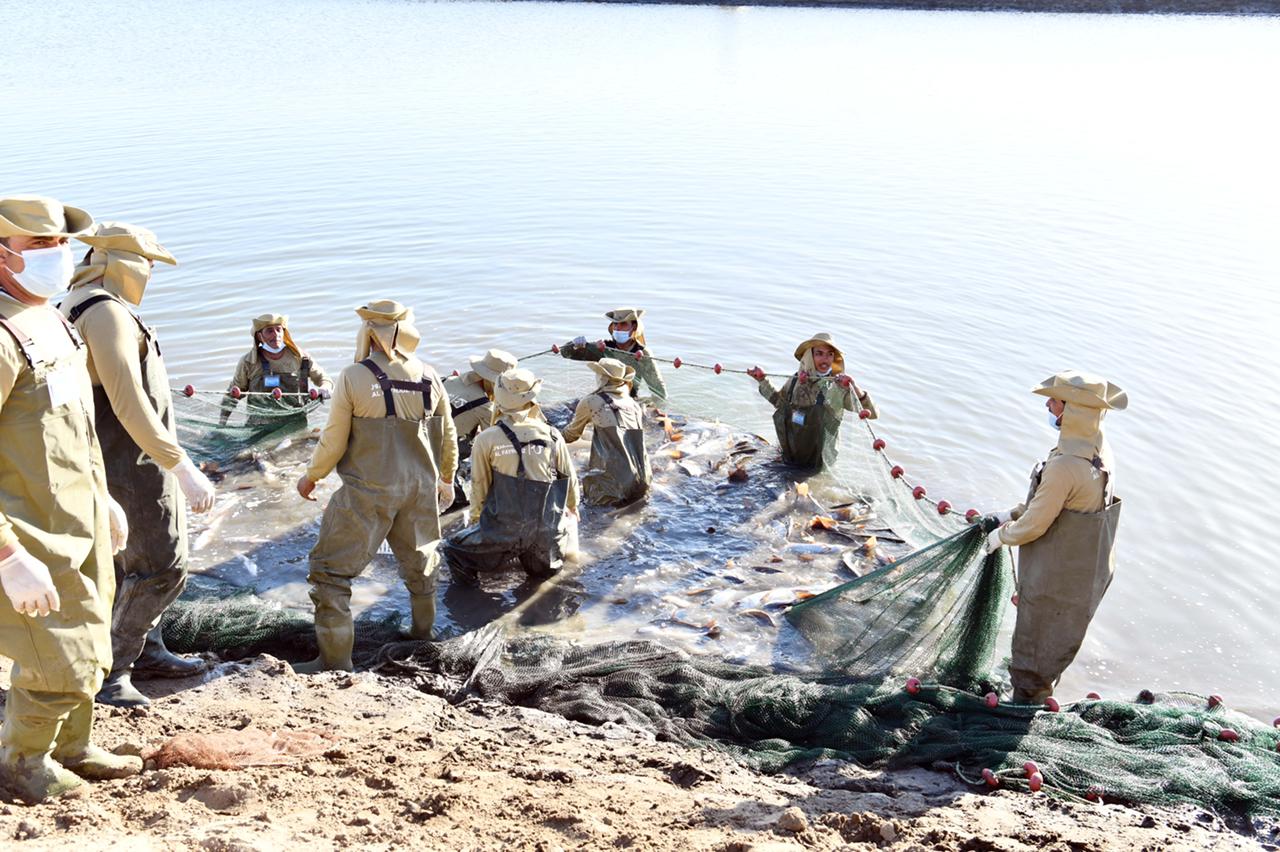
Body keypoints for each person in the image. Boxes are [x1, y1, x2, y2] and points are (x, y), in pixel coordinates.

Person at [0, 195, 142, 801]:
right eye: (39, 245)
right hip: (28, 531)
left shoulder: (52, 319)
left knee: (91, 642)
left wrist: (103, 499)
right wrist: (8, 556)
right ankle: (22, 764)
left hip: (78, 518)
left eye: (61, 244)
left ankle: (71, 747)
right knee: (55, 657)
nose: (57, 255)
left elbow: (74, 427)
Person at [62, 222, 217, 707]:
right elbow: (129, 403)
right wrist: (183, 467)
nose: (150, 271)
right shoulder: (106, 312)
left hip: (107, 458)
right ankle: (113, 672)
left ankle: (147, 653)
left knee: (122, 565)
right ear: (121, 262)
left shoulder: (73, 304)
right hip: (130, 462)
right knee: (162, 566)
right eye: (147, 262)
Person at [295, 301, 456, 671]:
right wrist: (446, 480)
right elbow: (448, 437)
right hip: (419, 489)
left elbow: (333, 440)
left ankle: (335, 662)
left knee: (331, 573)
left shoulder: (354, 376)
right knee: (421, 566)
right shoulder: (431, 377)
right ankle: (422, 635)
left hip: (367, 491)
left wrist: (312, 476)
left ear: (369, 332)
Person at [984, 371, 1127, 705]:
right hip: (1088, 572)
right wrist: (1012, 513)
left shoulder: (1067, 465)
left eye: (1055, 401)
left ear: (1074, 410)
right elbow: (1054, 501)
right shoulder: (1098, 450)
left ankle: (1023, 710)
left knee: (1034, 649)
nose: (1048, 405)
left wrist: (1000, 536)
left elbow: (1035, 525)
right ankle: (1037, 693)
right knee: (1055, 644)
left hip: (1057, 577)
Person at [442, 368, 580, 584]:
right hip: (544, 532)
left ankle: (469, 597)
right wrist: (573, 506)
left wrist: (477, 522)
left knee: (452, 550)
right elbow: (569, 478)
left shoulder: (486, 439)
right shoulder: (553, 435)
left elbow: (479, 485)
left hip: (503, 531)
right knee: (543, 578)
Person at [746, 332, 876, 472]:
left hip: (818, 466)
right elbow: (779, 403)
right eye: (819, 353)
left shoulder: (837, 388)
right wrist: (762, 380)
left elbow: (872, 414)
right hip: (789, 456)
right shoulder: (795, 380)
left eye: (830, 354)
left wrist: (856, 389)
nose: (825, 359)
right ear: (809, 356)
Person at [219, 313, 333, 430]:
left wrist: (325, 387)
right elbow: (232, 396)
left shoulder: (300, 357)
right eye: (270, 331)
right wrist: (222, 424)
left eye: (279, 330)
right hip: (258, 427)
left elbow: (324, 378)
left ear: (284, 333)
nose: (276, 334)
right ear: (259, 336)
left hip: (295, 425)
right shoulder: (248, 362)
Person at [561, 358, 651, 506]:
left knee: (592, 511)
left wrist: (548, 434)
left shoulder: (592, 401)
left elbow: (570, 436)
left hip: (614, 485)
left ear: (602, 378)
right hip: (643, 479)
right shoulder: (634, 405)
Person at [441, 349, 517, 511]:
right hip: (442, 448)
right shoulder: (484, 406)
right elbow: (496, 443)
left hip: (419, 436)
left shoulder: (450, 379)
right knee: (458, 504)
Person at [559, 307, 666, 399]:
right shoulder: (603, 347)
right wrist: (574, 345)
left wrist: (652, 410)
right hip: (602, 398)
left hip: (629, 400)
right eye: (615, 324)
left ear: (633, 327)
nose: (617, 328)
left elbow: (659, 391)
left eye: (623, 324)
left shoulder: (642, 353)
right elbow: (565, 353)